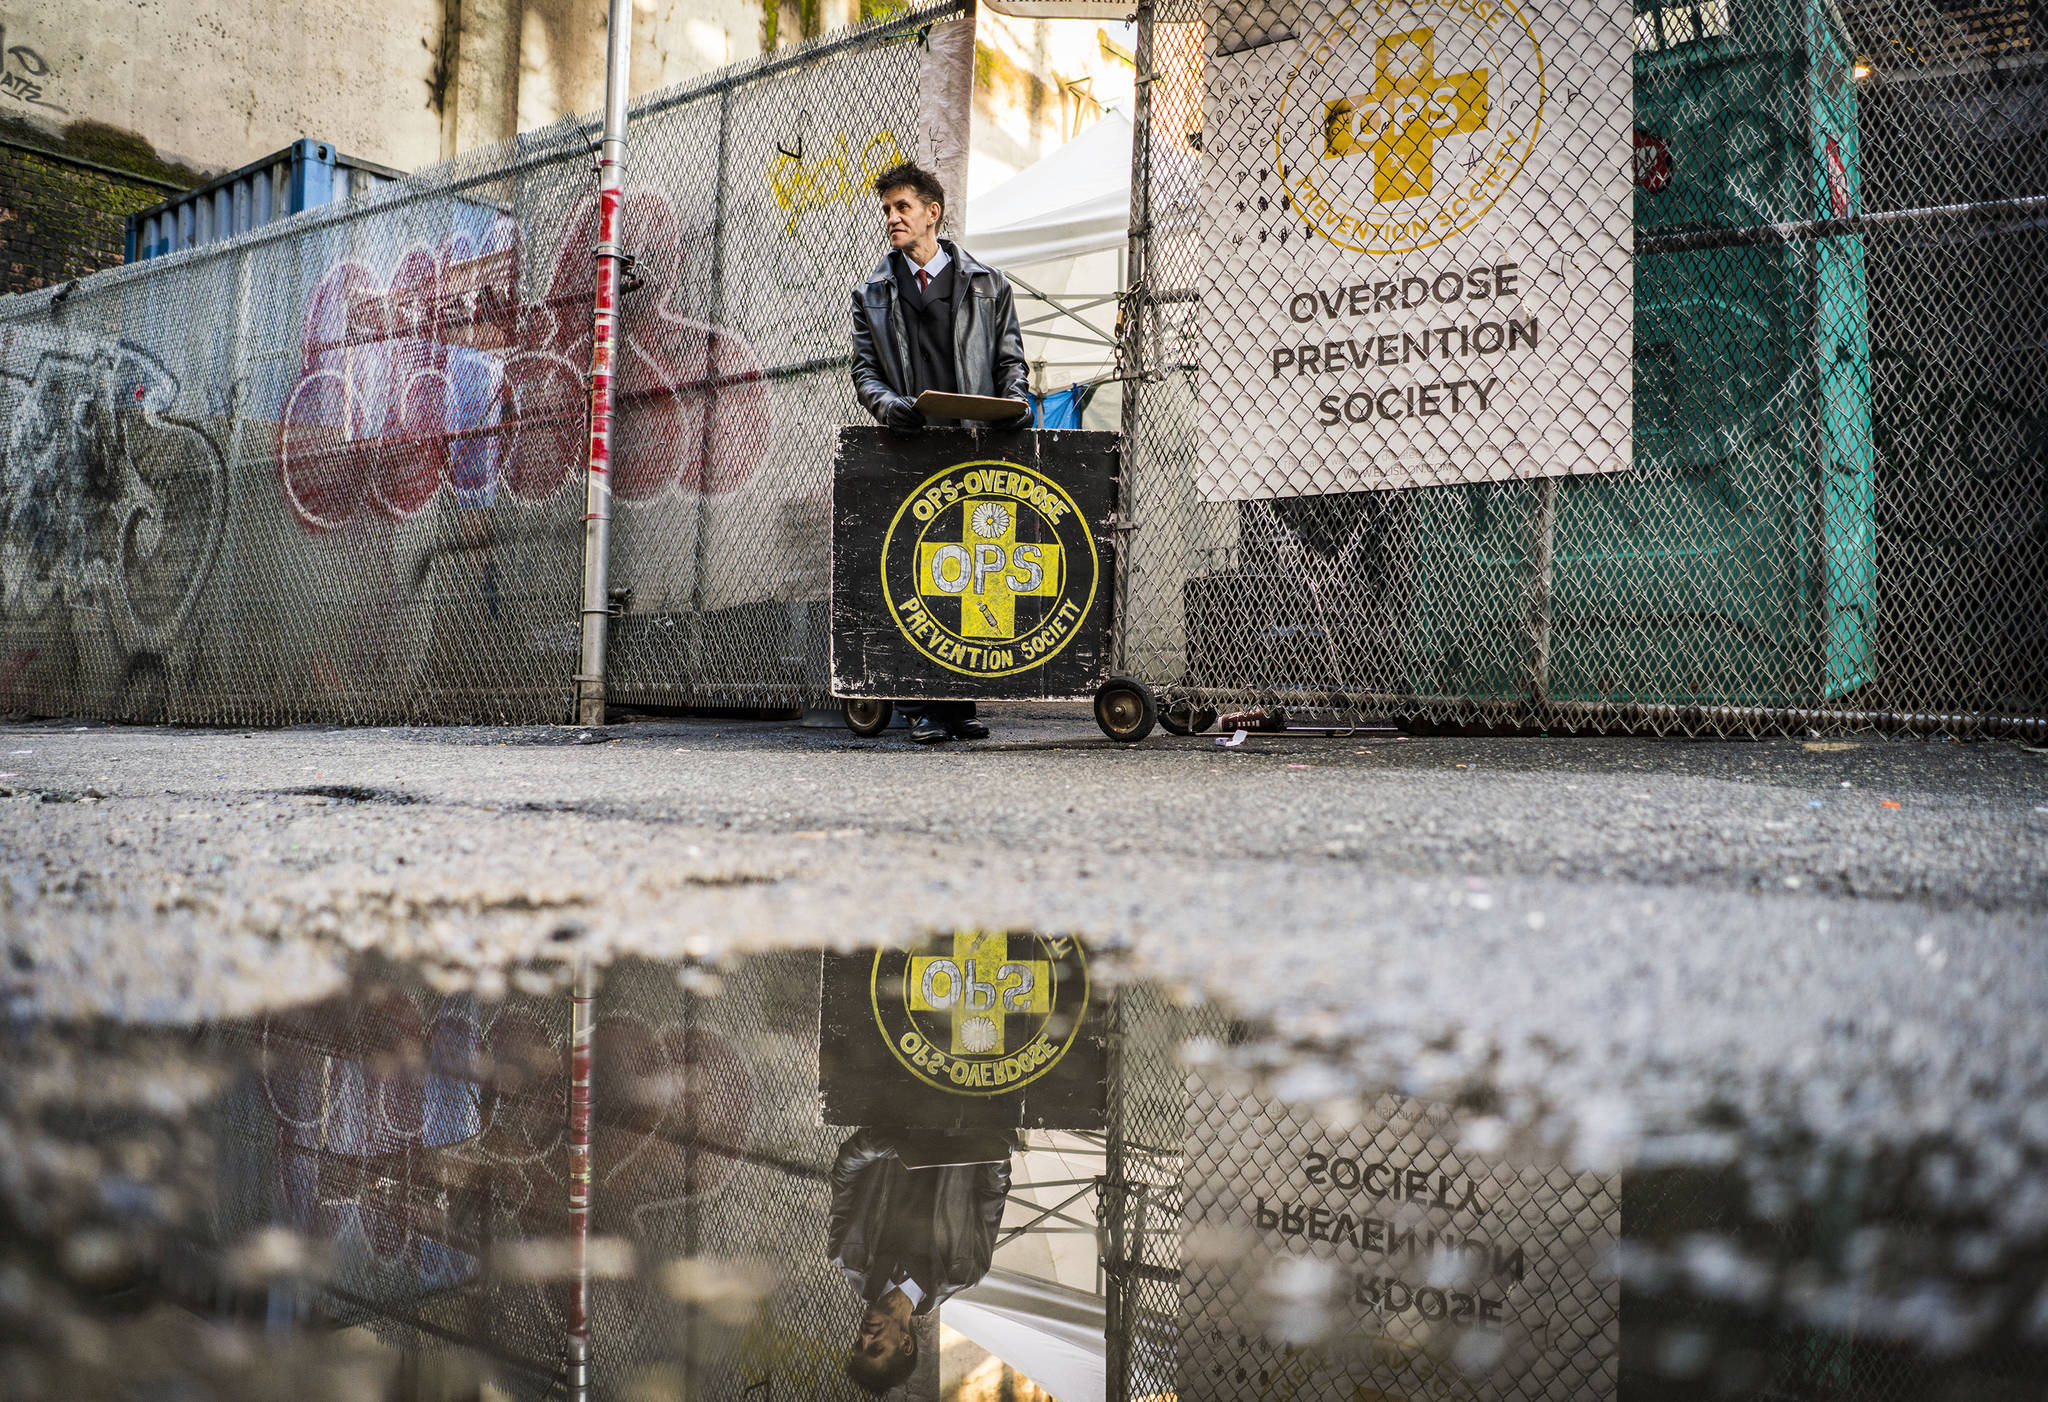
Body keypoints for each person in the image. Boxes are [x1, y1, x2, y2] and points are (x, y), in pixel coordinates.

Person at [850, 159, 1031, 745]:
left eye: (903, 208)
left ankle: (958, 703)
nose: (892, 219)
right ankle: (920, 705)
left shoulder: (988, 284)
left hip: (973, 443)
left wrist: (1014, 405)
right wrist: (887, 407)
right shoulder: (872, 292)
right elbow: (864, 371)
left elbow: (1010, 360)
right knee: (915, 569)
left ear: (934, 213)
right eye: (887, 210)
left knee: (977, 567)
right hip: (910, 443)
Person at [828, 1127, 1015, 1394]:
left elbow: (844, 1175)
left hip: (897, 1113)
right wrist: (996, 1149)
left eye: (859, 1345)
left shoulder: (848, 1254)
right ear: (906, 1344)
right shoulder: (965, 1270)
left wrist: (882, 1144)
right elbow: (992, 1191)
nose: (866, 1336)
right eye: (876, 1348)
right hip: (967, 1121)